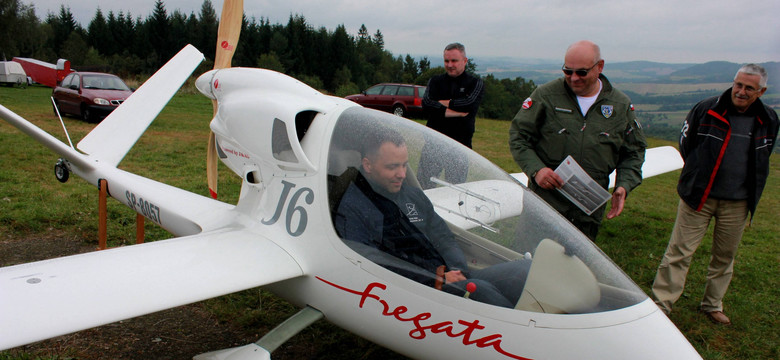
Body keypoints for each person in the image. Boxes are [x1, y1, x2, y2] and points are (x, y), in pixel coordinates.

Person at [333, 128, 530, 308]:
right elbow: (372, 262)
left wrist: (456, 270)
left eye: (405, 165)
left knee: (524, 271)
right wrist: (435, 279)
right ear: (367, 165)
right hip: (414, 290)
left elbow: (443, 236)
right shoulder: (354, 208)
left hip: (446, 276)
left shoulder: (412, 195)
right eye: (392, 167)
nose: (402, 174)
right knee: (478, 289)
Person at [650, 64, 778, 325]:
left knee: (724, 256)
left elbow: (763, 155)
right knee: (679, 252)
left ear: (761, 91)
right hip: (699, 195)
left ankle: (712, 305)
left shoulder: (769, 118)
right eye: (738, 84)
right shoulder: (706, 109)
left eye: (749, 88)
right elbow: (686, 143)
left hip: (738, 202)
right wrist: (696, 174)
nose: (740, 91)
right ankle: (661, 305)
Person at [508, 40, 646, 240]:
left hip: (587, 211)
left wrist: (624, 185)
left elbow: (634, 151)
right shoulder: (546, 95)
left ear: (600, 67)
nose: (573, 78)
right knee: (528, 262)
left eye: (581, 72)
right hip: (545, 202)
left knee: (575, 267)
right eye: (567, 71)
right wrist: (537, 170)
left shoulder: (619, 105)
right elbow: (518, 136)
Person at [418, 42, 485, 189]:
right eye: (446, 61)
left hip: (459, 148)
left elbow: (470, 104)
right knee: (423, 188)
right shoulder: (435, 81)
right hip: (432, 145)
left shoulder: (475, 83)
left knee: (455, 190)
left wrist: (442, 104)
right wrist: (452, 110)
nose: (449, 65)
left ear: (465, 61)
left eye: (454, 61)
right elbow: (427, 105)